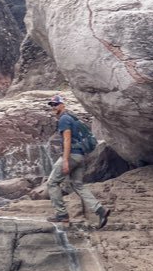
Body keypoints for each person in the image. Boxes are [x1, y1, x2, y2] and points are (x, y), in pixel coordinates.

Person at [46, 94, 110, 228]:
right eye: (52, 105)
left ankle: (62, 215)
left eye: (56, 104)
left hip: (71, 156)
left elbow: (67, 140)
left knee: (52, 183)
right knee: (78, 185)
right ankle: (100, 210)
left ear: (62, 105)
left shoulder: (64, 119)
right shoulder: (73, 118)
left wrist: (65, 161)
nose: (53, 107)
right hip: (81, 157)